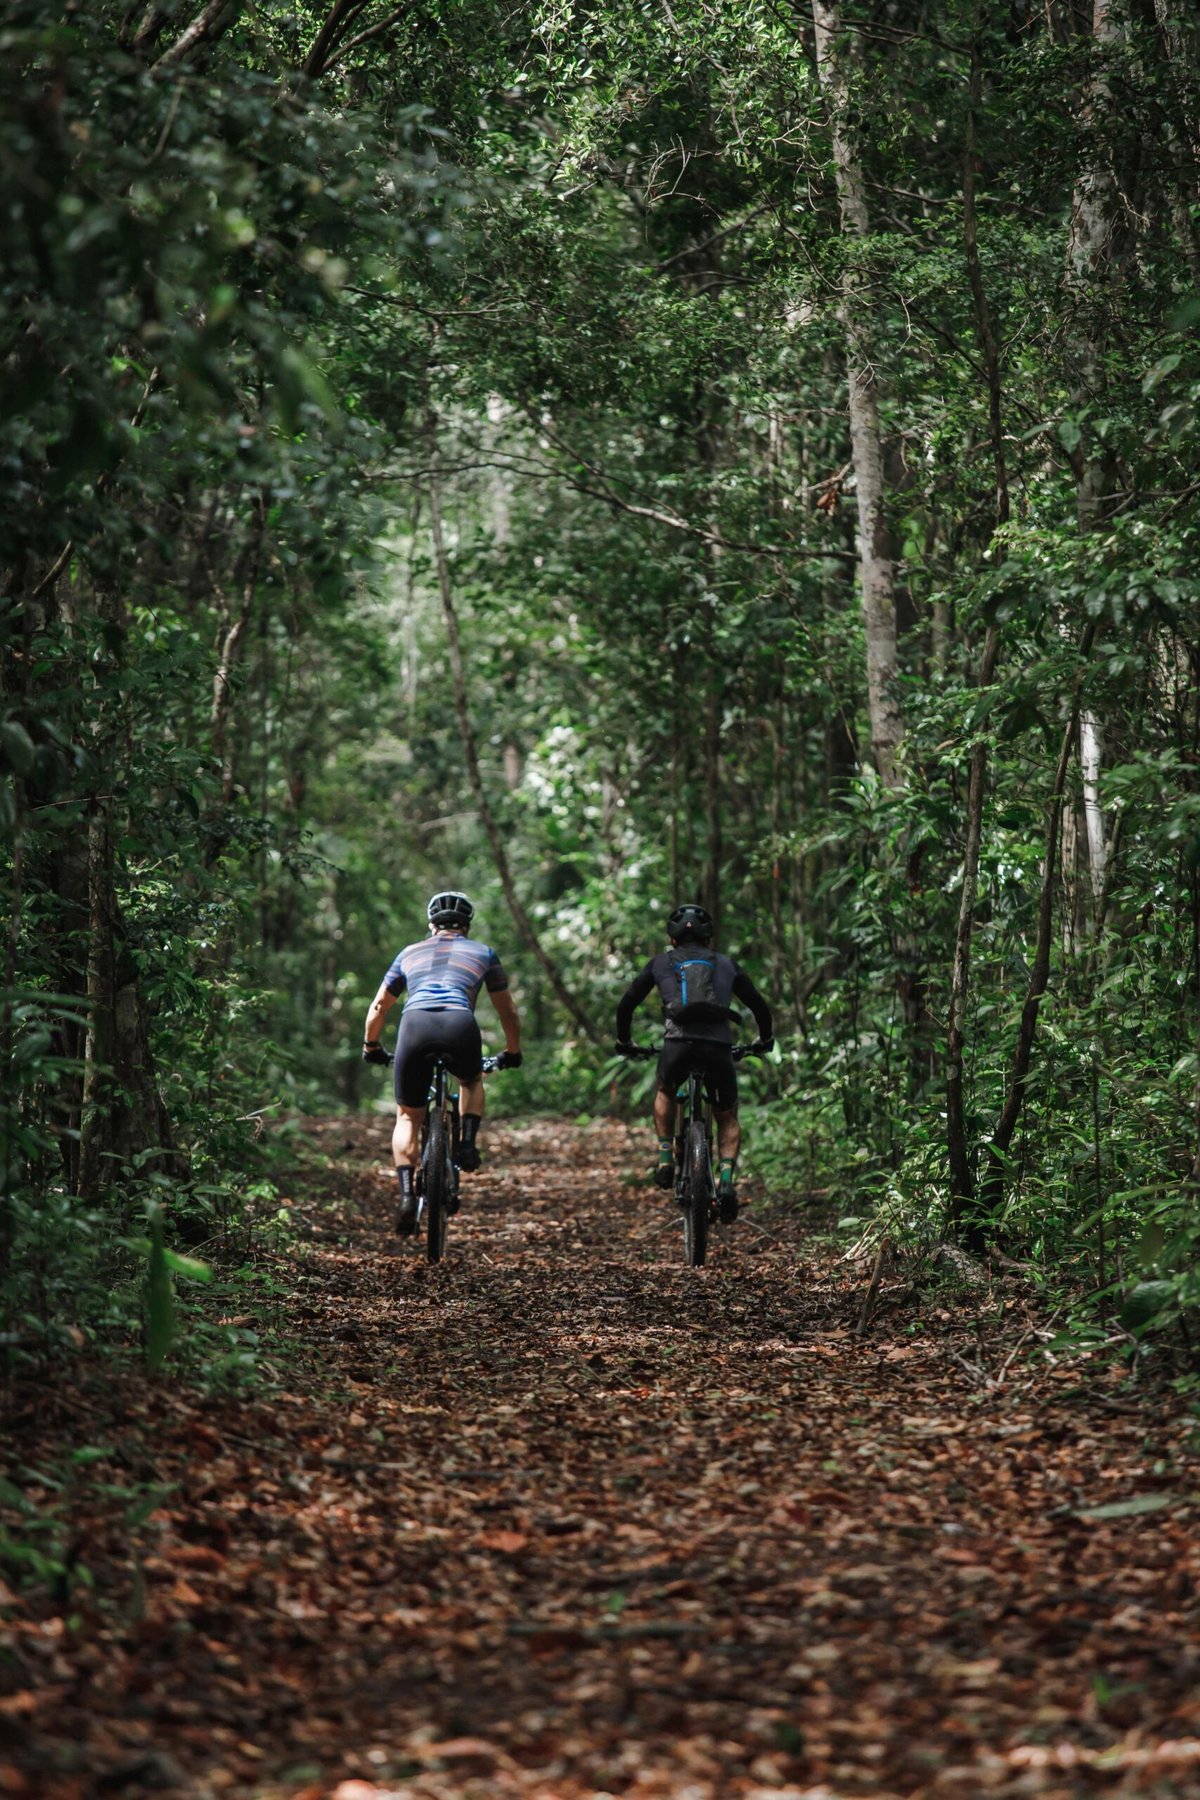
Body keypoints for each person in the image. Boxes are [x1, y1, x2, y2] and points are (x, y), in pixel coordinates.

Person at [362, 891, 522, 1236]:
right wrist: (513, 1050)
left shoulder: (408, 953)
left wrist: (371, 1045)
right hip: (459, 1024)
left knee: (407, 1115)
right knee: (470, 1080)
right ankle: (467, 1144)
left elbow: (378, 1007)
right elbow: (507, 1010)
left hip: (414, 1026)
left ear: (431, 924)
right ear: (467, 925)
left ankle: (406, 1197)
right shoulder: (484, 953)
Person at [615, 902, 773, 1221]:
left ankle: (664, 1158)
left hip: (677, 1045)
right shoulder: (726, 965)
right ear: (709, 938)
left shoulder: (661, 962)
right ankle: (726, 1182)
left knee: (665, 1090)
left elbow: (627, 1003)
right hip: (718, 1048)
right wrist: (764, 1039)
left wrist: (625, 1041)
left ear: (672, 938)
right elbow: (758, 1005)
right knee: (726, 1115)